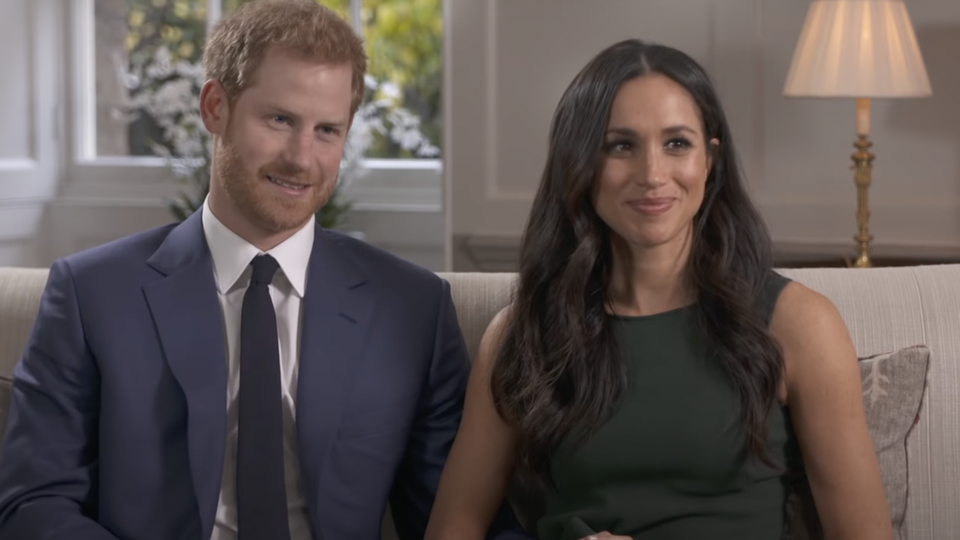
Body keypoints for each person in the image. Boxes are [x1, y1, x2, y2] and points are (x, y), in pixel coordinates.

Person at [0, 1, 526, 539]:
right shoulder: (92, 295)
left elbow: (462, 515)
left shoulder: (412, 309)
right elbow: (34, 503)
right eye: (280, 120)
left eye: (328, 130)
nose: (301, 157)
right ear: (215, 108)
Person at [424, 39, 893, 540]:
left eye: (677, 144)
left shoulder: (799, 324)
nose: (652, 175)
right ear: (579, 164)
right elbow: (453, 527)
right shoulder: (522, 334)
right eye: (621, 146)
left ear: (710, 159)